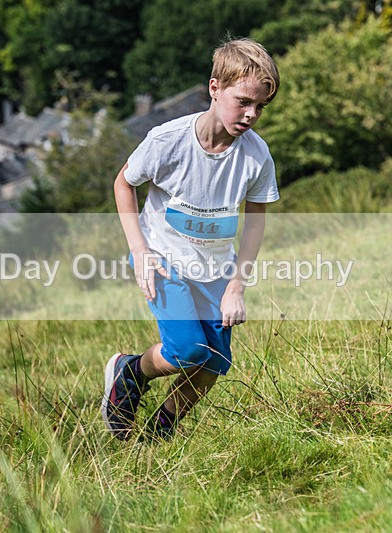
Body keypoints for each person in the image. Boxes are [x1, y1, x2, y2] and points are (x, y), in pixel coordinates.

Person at [103, 38, 280, 441]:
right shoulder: (168, 141)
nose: (251, 114)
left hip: (216, 268)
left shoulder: (256, 156)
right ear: (215, 88)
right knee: (188, 351)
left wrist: (236, 285)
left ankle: (158, 434)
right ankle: (129, 373)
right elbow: (123, 182)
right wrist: (140, 251)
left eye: (260, 107)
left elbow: (255, 221)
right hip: (162, 258)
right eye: (243, 102)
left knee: (214, 362)